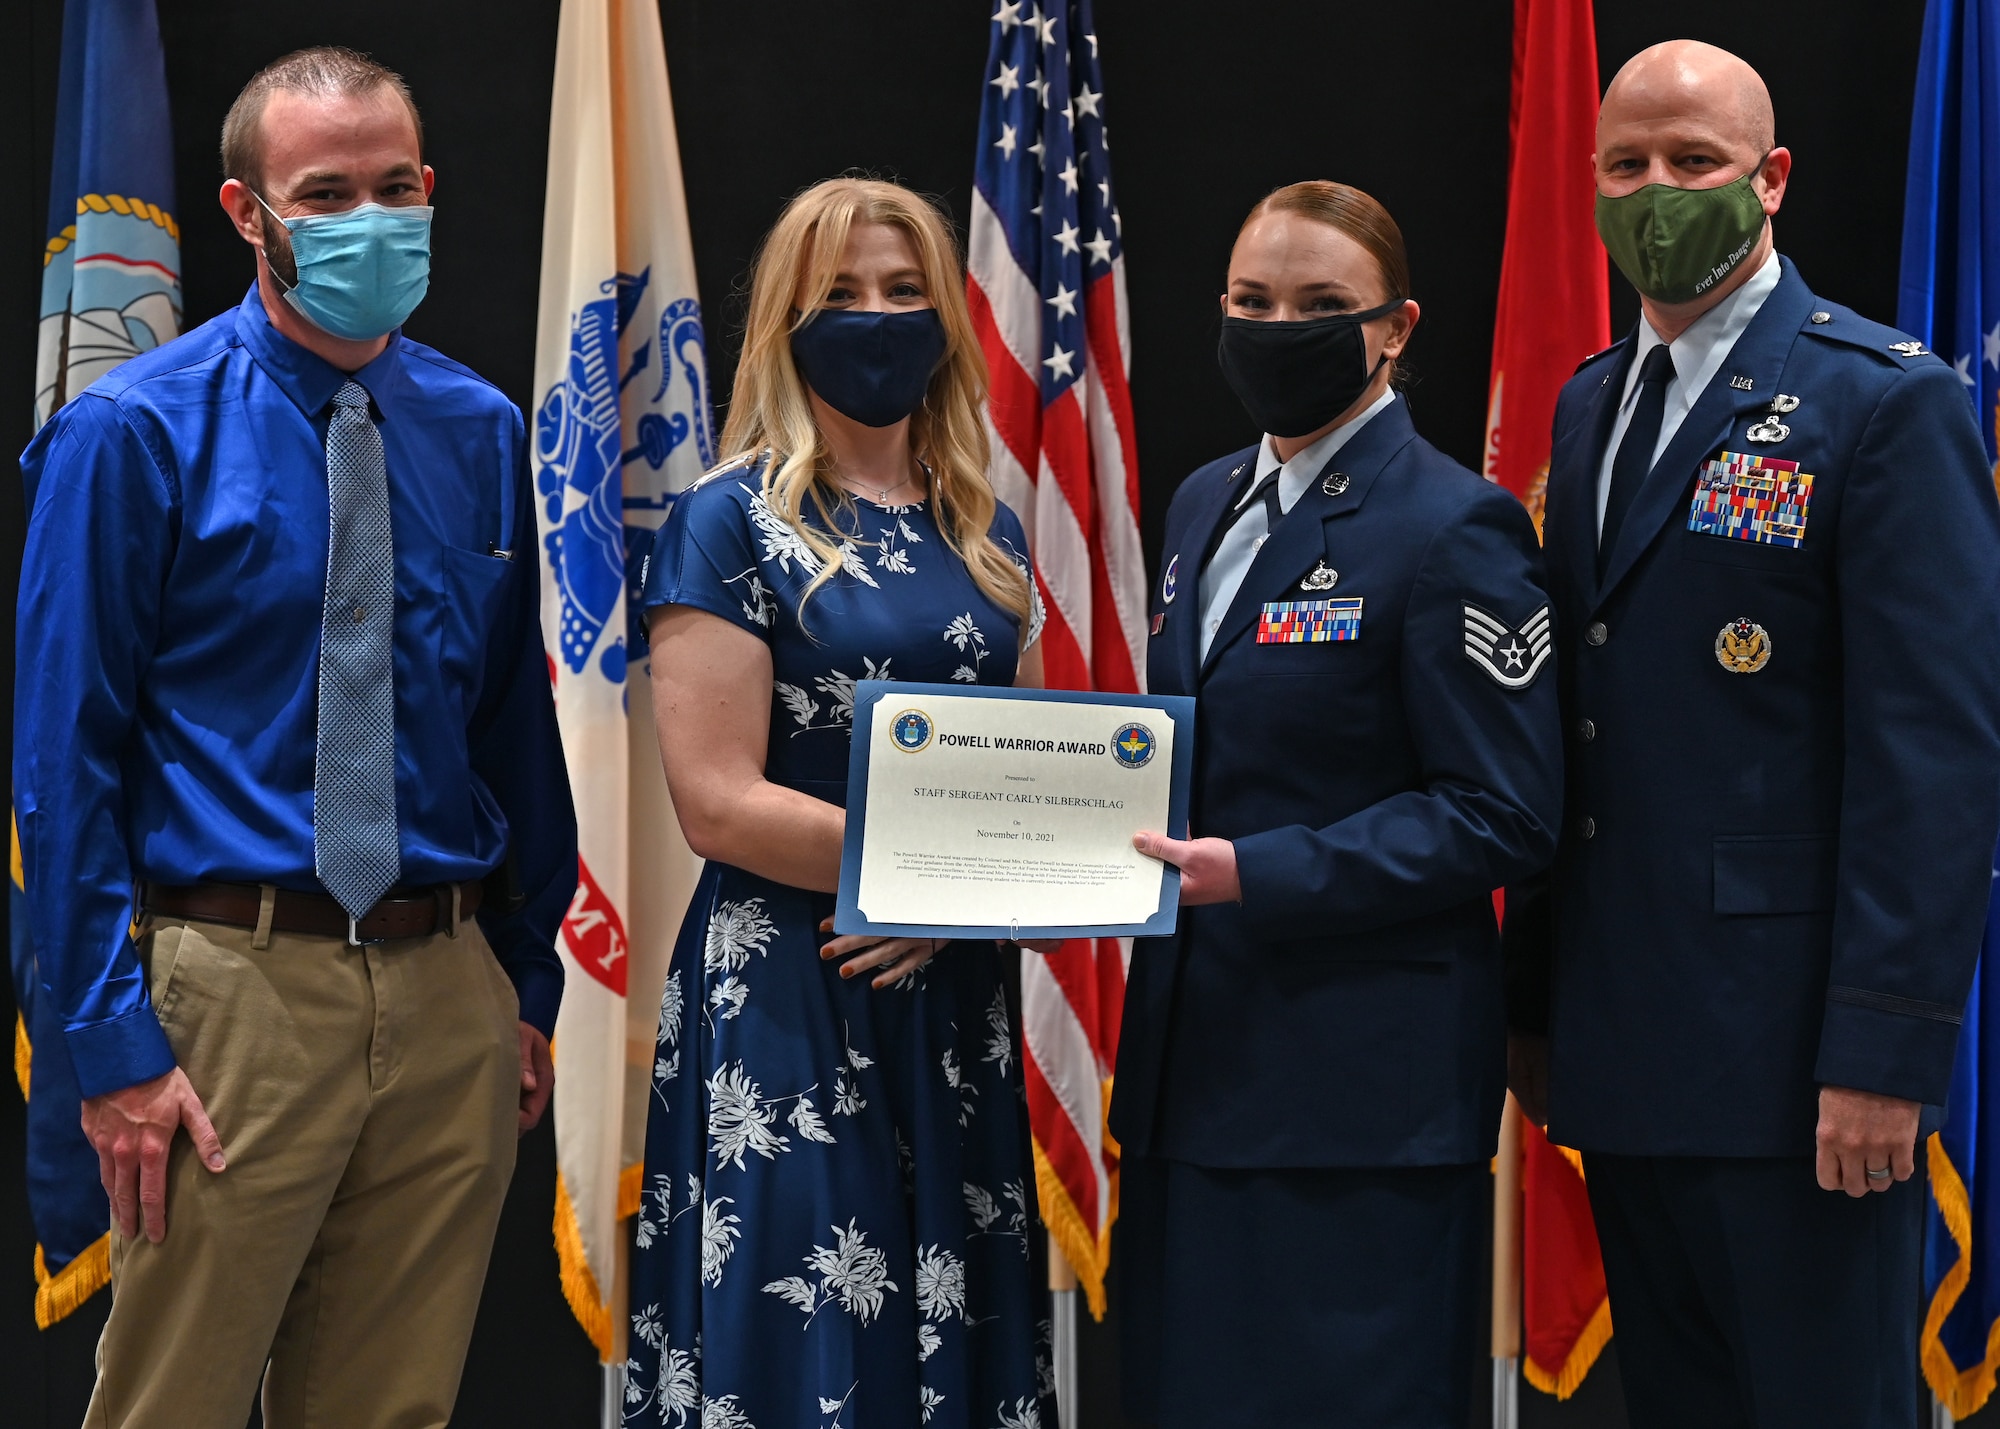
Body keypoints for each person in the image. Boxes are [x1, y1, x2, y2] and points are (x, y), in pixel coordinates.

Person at [13, 47, 576, 1428]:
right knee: (175, 1406)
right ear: (245, 211)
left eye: (395, 187)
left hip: (446, 986)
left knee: (391, 1408)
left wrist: (521, 988)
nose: (367, 219)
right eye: (324, 193)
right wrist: (109, 1042)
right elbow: (61, 761)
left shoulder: (480, 428)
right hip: (228, 995)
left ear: (432, 191)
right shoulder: (131, 432)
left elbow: (511, 728)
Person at [1503, 40, 2000, 1428]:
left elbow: (1936, 759)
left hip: (1802, 1075)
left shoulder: (1884, 403)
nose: (1656, 191)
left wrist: (1885, 1056)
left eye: (1694, 162)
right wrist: (1539, 998)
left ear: (1771, 180)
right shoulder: (1592, 400)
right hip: (1628, 1041)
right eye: (1626, 165)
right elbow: (1581, 723)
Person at [1111, 181, 1564, 1427]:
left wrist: (1261, 869)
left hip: (1354, 1101)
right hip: (1189, 1078)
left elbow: (1501, 811)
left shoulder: (1453, 525)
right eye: (1251, 301)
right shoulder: (1204, 501)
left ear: (1396, 326)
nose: (1277, 327)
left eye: (1320, 306)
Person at [627, 178, 1058, 1429]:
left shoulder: (993, 533)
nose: (875, 317)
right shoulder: (728, 521)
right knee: (806, 1350)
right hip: (793, 996)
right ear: (785, 321)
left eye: (903, 290)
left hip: (951, 1002)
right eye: (840, 295)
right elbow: (716, 800)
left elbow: (1023, 786)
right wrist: (933, 877)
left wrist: (958, 897)